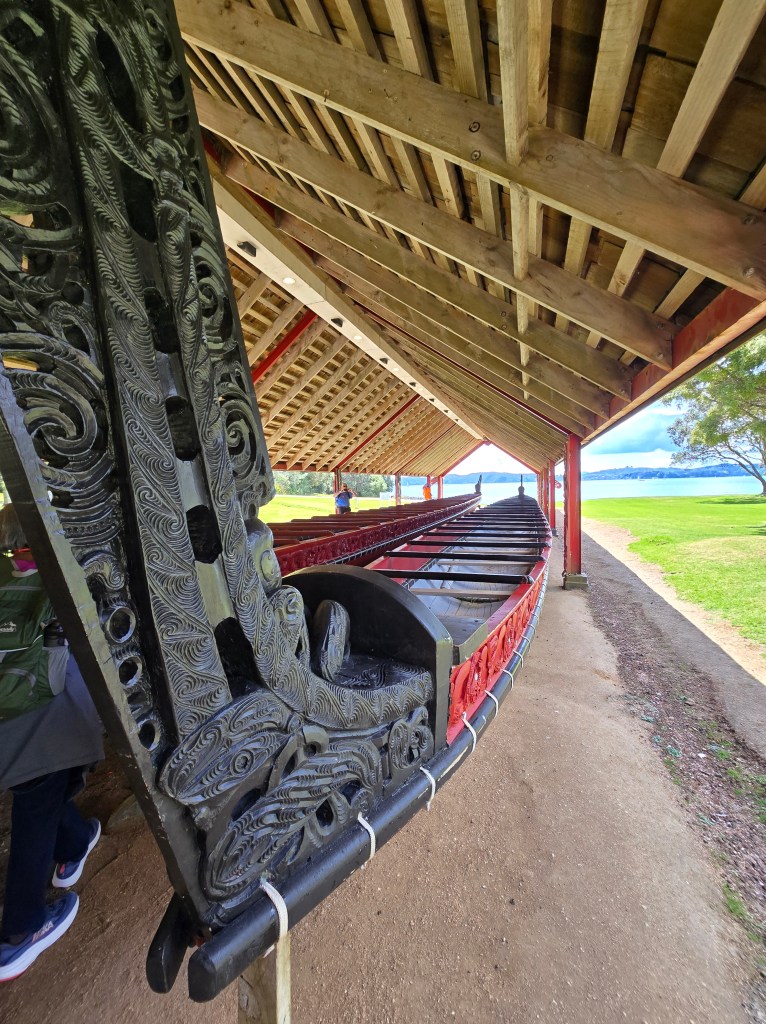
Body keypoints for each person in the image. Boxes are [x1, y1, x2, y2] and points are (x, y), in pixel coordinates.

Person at [0, 504, 103, 982]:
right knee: (36, 804)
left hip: (10, 721)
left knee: (42, 792)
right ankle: (20, 932)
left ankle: (76, 843)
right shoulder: (60, 578)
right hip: (46, 720)